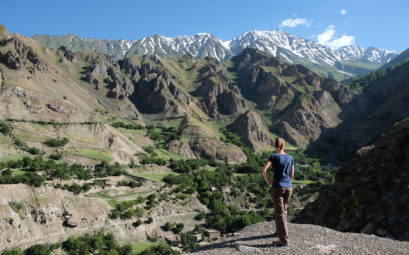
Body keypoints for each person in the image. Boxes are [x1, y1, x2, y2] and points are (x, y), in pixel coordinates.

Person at [262, 137, 294, 246]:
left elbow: (264, 169)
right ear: (284, 146)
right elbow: (292, 176)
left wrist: (268, 181)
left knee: (279, 213)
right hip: (288, 187)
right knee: (284, 210)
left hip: (277, 186)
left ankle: (284, 240)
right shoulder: (290, 158)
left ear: (275, 146)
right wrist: (287, 182)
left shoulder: (274, 156)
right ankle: (279, 232)